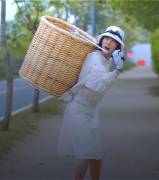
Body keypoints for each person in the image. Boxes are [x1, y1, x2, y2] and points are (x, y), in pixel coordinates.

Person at [57, 26, 125, 180]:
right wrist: (117, 72)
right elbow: (98, 86)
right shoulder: (94, 58)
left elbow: (100, 84)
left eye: (114, 41)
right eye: (107, 38)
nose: (109, 42)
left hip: (91, 112)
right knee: (86, 152)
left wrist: (116, 69)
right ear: (101, 40)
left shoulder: (105, 60)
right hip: (78, 111)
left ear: (117, 48)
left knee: (96, 153)